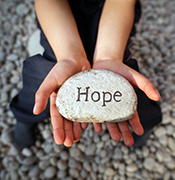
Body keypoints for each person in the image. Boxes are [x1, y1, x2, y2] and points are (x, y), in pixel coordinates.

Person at [10, 0, 162, 149]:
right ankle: (26, 115)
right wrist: (69, 56)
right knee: (47, 72)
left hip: (114, 11)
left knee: (121, 74)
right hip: (58, 12)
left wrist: (109, 56)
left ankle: (146, 118)